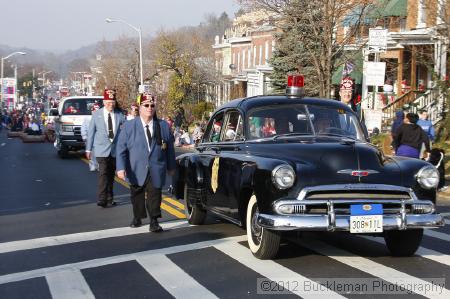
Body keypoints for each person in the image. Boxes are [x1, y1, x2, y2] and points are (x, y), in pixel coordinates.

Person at [116, 93, 176, 232]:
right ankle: (137, 217)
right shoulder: (129, 126)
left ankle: (154, 221)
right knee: (137, 194)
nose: (150, 108)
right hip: (135, 167)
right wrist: (120, 167)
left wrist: (171, 166)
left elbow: (170, 148)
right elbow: (121, 149)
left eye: (152, 105)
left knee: (155, 194)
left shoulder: (163, 126)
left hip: (156, 167)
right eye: (146, 105)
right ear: (140, 107)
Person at [86, 89, 126, 207]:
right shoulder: (97, 114)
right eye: (108, 102)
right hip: (101, 149)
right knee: (103, 173)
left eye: (112, 102)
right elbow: (91, 132)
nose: (110, 105)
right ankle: (102, 198)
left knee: (110, 175)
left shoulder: (119, 115)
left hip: (115, 150)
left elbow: (124, 132)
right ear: (104, 102)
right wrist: (88, 149)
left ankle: (110, 197)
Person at [81, 103, 100, 171]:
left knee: (98, 152)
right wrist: (84, 136)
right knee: (91, 152)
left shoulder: (101, 118)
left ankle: (98, 165)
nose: (95, 112)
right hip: (89, 138)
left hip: (98, 139)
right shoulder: (87, 118)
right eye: (94, 110)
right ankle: (92, 164)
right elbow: (83, 128)